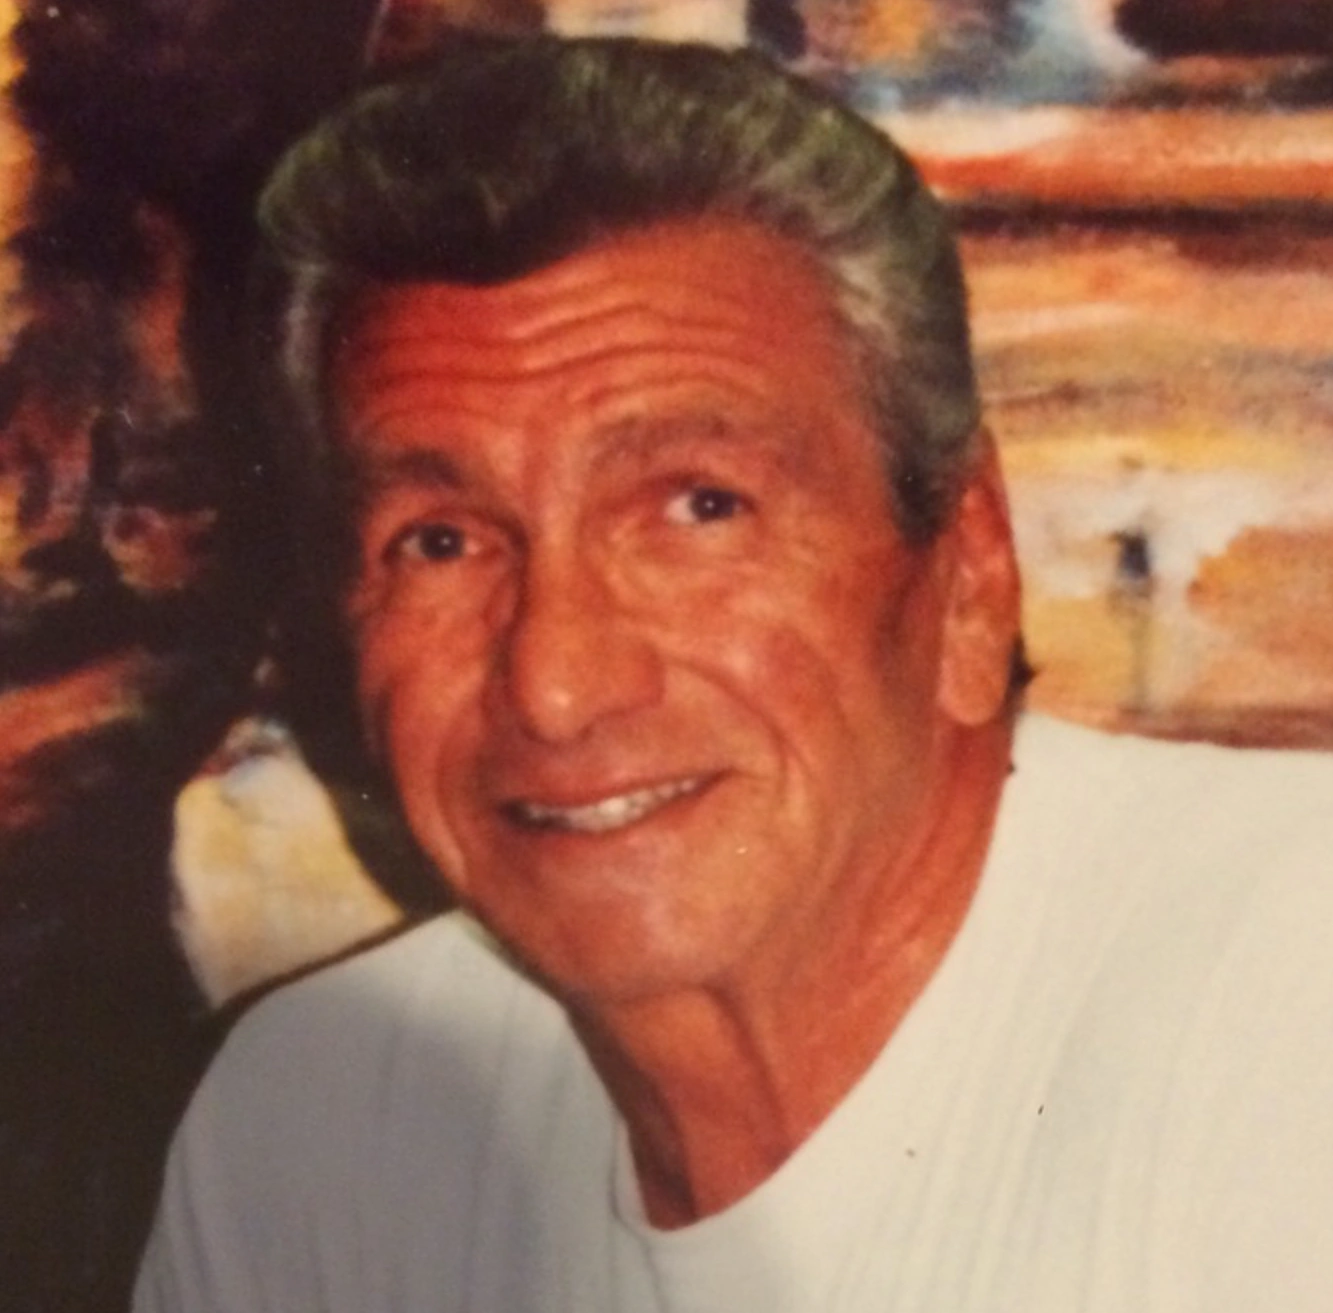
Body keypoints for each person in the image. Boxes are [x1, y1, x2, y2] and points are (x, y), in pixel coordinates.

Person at [135, 36, 1333, 1313]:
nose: (555, 683)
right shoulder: (321, 1131)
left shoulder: (1284, 987)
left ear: (970, 568)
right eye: (440, 542)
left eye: (699, 506)